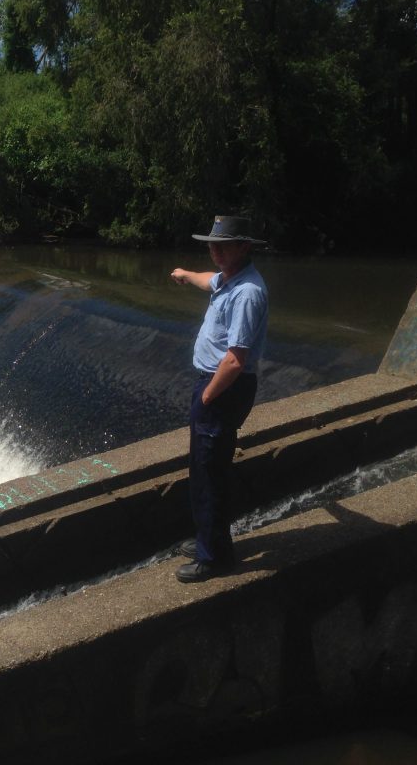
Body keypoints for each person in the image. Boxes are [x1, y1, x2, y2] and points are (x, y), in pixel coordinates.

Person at [170, 215, 269, 583]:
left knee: (210, 473)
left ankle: (214, 558)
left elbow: (235, 359)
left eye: (222, 245)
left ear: (244, 247)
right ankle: (207, 540)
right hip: (215, 386)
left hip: (224, 388)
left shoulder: (247, 293)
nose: (215, 251)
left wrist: (208, 398)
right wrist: (184, 274)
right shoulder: (228, 279)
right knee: (203, 469)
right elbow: (205, 280)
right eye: (212, 245)